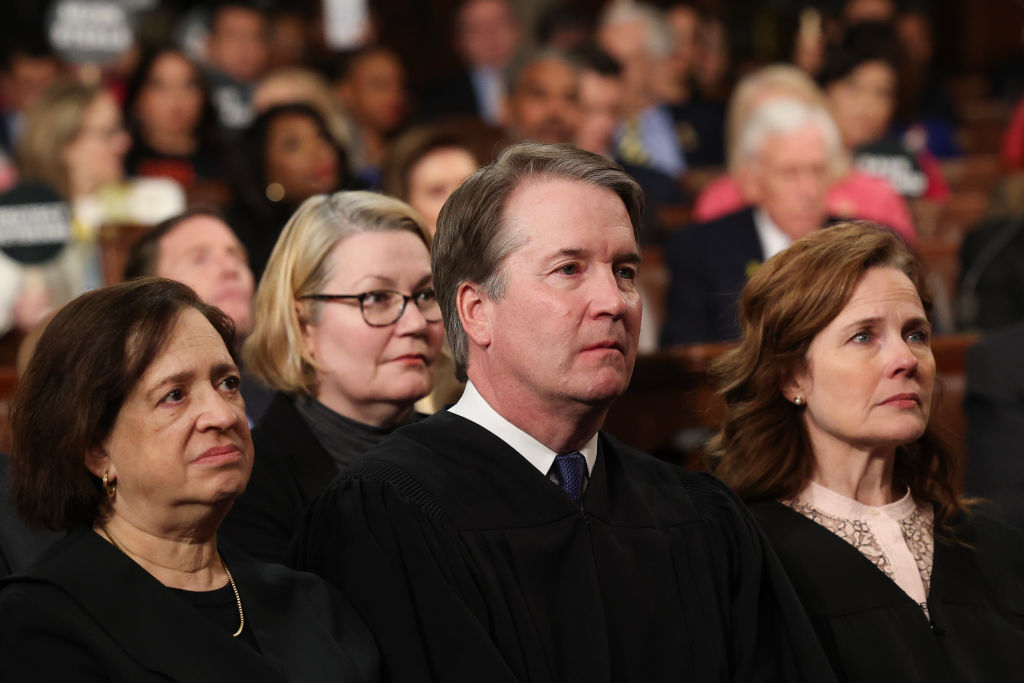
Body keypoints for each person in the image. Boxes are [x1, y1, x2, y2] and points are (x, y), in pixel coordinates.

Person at [292, 142, 837, 682]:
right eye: (569, 269)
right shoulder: (387, 512)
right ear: (477, 311)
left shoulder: (698, 513)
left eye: (625, 270)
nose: (614, 301)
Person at [0, 278, 379, 681]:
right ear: (96, 448)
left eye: (227, 383)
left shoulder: (309, 601)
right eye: (175, 394)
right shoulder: (42, 621)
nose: (223, 415)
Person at [711, 221, 1024, 682]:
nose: (905, 359)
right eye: (864, 336)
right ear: (792, 377)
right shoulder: (744, 557)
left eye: (915, 334)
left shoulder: (993, 545)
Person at [220, 191, 444, 564]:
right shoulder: (246, 489)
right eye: (375, 297)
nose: (416, 323)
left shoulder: (466, 456)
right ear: (303, 322)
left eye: (425, 294)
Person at [662, 97, 837, 345]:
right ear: (753, 181)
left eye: (817, 171)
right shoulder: (699, 250)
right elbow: (684, 358)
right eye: (790, 173)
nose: (809, 190)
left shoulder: (865, 246)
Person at [692, 64, 914, 242]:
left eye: (796, 115)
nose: (786, 129)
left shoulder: (877, 197)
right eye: (764, 122)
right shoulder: (719, 200)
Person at [122, 208, 272, 422]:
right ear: (150, 293)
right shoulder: (132, 410)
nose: (230, 268)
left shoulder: (289, 390)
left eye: (236, 256)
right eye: (200, 259)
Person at [227, 103, 351, 279]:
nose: (319, 151)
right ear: (263, 166)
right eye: (293, 145)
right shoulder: (248, 241)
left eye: (321, 136)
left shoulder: (365, 210)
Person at [123, 47, 225, 197]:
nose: (176, 99)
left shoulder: (229, 164)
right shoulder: (118, 157)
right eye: (160, 86)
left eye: (188, 85)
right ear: (138, 97)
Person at [418, 0, 521, 125]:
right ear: (458, 41)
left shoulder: (538, 80)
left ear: (517, 29)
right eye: (476, 28)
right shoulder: (437, 96)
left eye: (500, 23)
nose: (491, 34)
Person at [502, 49, 580, 145]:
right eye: (538, 94)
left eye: (569, 98)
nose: (556, 110)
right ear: (509, 106)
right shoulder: (480, 158)